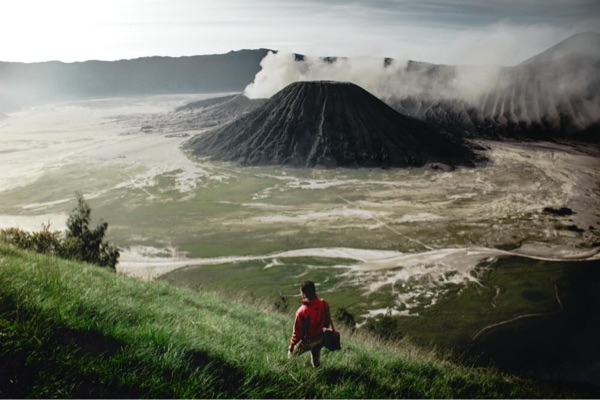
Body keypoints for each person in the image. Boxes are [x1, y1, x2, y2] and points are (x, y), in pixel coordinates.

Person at [288, 281, 333, 368]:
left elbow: (296, 333)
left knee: (291, 355)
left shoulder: (301, 311)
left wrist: (292, 345)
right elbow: (326, 322)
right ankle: (318, 372)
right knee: (316, 360)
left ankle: (289, 369)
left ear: (304, 294)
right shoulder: (323, 304)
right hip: (319, 338)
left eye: (301, 292)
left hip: (307, 342)